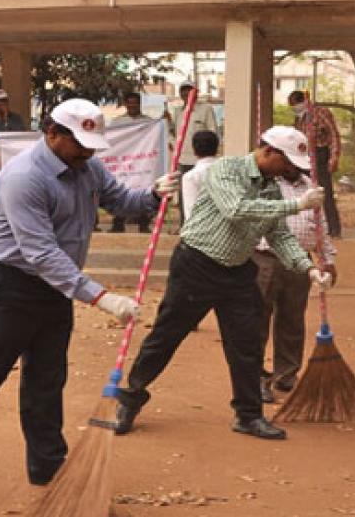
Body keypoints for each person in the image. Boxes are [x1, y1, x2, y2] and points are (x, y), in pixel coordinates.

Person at [0, 99, 181, 506]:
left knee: (46, 380)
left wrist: (152, 193)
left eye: (92, 145)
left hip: (52, 291)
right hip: (5, 288)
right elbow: (40, 253)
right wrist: (100, 296)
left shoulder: (87, 166)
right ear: (52, 133)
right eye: (80, 145)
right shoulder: (23, 177)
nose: (88, 153)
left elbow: (121, 202)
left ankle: (47, 465)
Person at [115, 126, 332, 441]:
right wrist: (297, 204)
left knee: (246, 344)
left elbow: (278, 234)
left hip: (238, 270)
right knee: (166, 335)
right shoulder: (226, 170)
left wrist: (308, 268)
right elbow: (237, 210)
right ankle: (131, 396)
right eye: (287, 163)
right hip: (197, 265)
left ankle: (248, 414)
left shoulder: (271, 188)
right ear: (268, 151)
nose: (290, 171)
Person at [255, 167, 338, 403]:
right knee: (258, 319)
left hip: (301, 262)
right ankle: (256, 378)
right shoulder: (265, 183)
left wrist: (328, 261)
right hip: (265, 259)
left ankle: (286, 374)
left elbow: (321, 227)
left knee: (292, 319)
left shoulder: (313, 187)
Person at [289, 90, 343, 238]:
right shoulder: (298, 120)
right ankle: (309, 227)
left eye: (297, 105)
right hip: (304, 157)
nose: (295, 109)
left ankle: (334, 229)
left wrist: (334, 157)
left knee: (325, 193)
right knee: (304, 192)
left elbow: (333, 135)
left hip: (320, 154)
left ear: (304, 102)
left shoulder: (321, 113)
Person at [164, 81, 218, 225]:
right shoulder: (177, 112)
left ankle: (206, 224)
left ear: (196, 92)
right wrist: (174, 143)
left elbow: (213, 132)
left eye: (189, 90)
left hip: (203, 160)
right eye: (183, 91)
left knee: (205, 193)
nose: (186, 94)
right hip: (183, 159)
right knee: (185, 194)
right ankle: (185, 225)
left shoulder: (206, 109)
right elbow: (171, 133)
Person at [109, 92, 155, 233]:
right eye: (130, 102)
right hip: (124, 165)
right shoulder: (117, 122)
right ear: (126, 104)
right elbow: (111, 140)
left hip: (142, 164)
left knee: (143, 191)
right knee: (120, 192)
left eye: (135, 102)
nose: (132, 105)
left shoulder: (149, 122)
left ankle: (144, 223)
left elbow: (155, 139)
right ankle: (118, 223)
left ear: (140, 104)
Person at [179, 130, 220, 222]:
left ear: (194, 150)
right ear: (217, 149)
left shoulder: (191, 177)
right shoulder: (227, 171)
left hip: (202, 230)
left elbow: (191, 212)